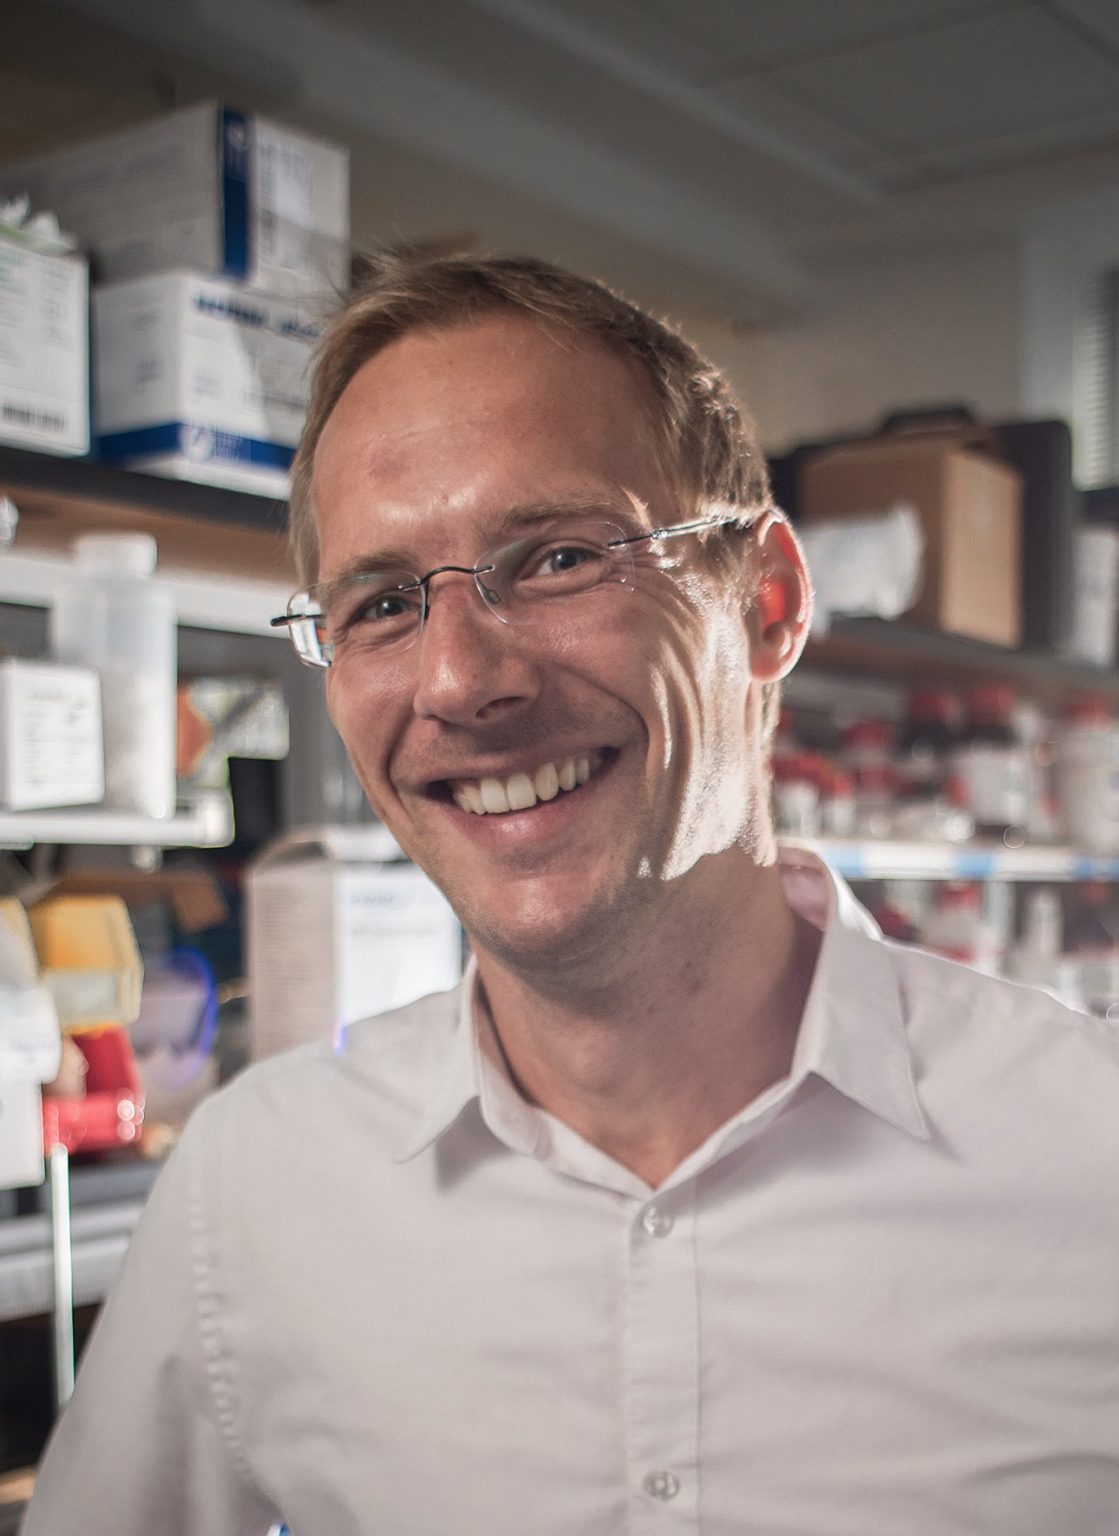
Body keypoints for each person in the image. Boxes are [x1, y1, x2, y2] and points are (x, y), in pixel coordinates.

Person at [24, 253, 1119, 1535]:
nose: (457, 681)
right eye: (382, 603)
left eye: (554, 558)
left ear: (764, 605)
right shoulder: (253, 1192)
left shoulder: (1085, 1155)